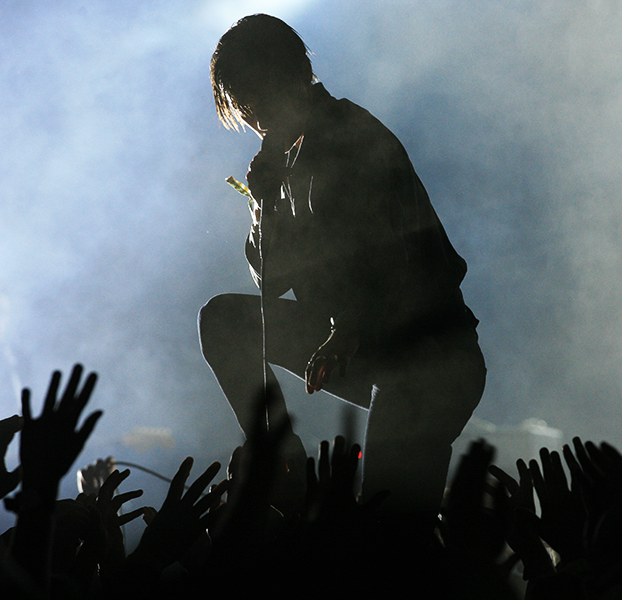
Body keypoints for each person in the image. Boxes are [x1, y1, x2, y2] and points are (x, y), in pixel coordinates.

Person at [198, 14, 486, 515]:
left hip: (429, 355)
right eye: (245, 108)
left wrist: (347, 328)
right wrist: (262, 203)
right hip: (364, 347)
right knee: (224, 321)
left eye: (259, 100)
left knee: (387, 531)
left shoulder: (352, 137)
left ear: (293, 75)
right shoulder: (285, 164)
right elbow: (270, 284)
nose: (256, 120)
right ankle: (282, 455)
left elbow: (389, 255)